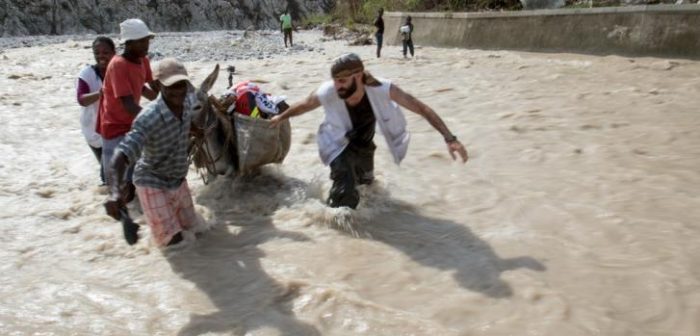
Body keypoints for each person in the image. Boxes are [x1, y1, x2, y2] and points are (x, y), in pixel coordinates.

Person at [270, 53, 468, 209]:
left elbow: (421, 108)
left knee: (367, 188)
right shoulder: (328, 91)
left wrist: (450, 138)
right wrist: (280, 117)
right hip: (337, 144)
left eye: (342, 80)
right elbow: (305, 105)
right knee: (345, 192)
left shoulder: (382, 89)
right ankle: (339, 231)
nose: (337, 85)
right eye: (335, 80)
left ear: (358, 76)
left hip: (364, 145)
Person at [104, 58, 200, 247]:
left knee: (196, 231)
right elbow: (121, 155)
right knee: (175, 244)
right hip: (152, 181)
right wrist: (114, 192)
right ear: (157, 85)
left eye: (182, 84)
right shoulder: (148, 118)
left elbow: (188, 119)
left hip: (178, 179)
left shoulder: (188, 101)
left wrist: (195, 130)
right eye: (172, 86)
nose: (178, 90)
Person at [96, 18, 159, 201]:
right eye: (142, 41)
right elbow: (129, 105)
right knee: (117, 181)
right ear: (129, 43)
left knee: (135, 176)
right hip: (115, 126)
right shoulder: (118, 65)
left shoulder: (143, 60)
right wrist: (158, 119)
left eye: (147, 40)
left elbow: (148, 88)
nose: (147, 45)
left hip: (132, 124)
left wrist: (168, 102)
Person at [76, 36, 116, 185]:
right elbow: (81, 99)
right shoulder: (87, 74)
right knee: (108, 173)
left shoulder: (120, 71)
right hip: (93, 129)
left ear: (114, 52)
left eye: (105, 52)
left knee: (117, 170)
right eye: (97, 53)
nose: (101, 56)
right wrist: (101, 93)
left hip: (117, 127)